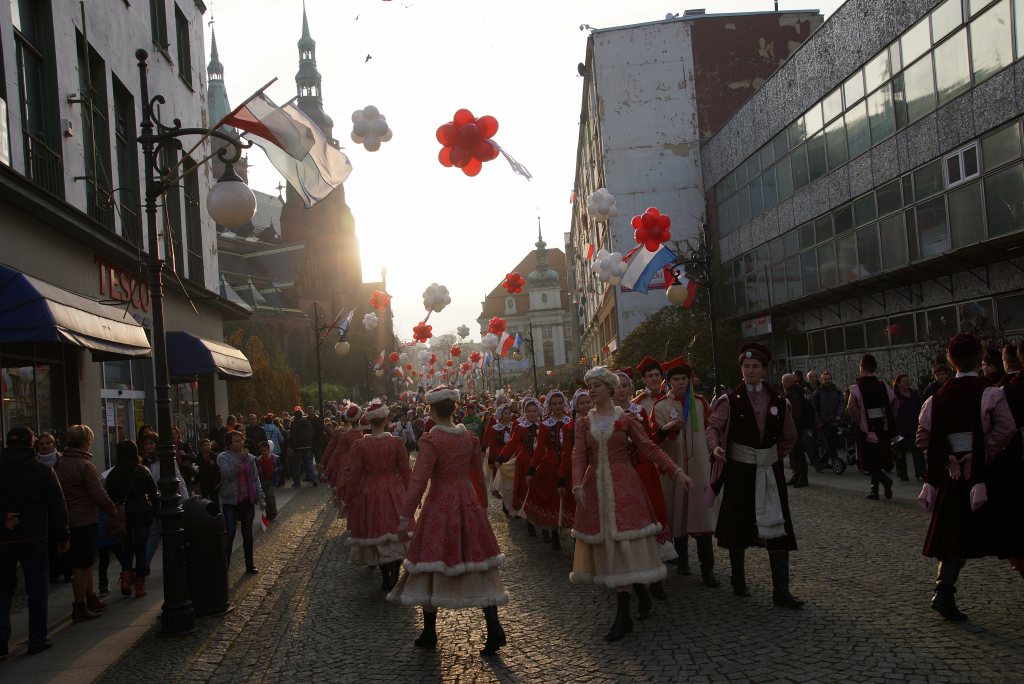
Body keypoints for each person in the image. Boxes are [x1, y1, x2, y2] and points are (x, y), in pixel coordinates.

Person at [570, 367, 692, 641]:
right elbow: (578, 456)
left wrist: (676, 471)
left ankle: (622, 616)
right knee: (611, 545)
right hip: (596, 488)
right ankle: (640, 598)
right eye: (590, 386)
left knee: (624, 542)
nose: (592, 390)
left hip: (624, 486)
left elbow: (650, 447)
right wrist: (577, 484)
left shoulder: (624, 420)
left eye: (598, 386)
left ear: (610, 390)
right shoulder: (583, 424)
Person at [388, 386, 508, 656]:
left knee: (430, 561)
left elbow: (419, 480)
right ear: (454, 408)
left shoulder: (432, 440)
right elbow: (477, 474)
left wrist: (406, 516)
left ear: (431, 410)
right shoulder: (468, 438)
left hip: (440, 504)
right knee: (477, 561)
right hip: (466, 502)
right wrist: (482, 505)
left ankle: (430, 631)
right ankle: (494, 626)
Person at [916, 334, 1017, 621]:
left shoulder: (936, 398)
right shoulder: (990, 393)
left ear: (951, 361)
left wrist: (947, 455)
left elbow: (923, 436)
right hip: (987, 472)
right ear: (980, 357)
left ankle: (943, 591)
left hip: (953, 474)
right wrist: (981, 452)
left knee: (953, 533)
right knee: (1008, 528)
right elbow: (1006, 428)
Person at [707, 342, 804, 609]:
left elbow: (790, 436)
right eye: (746, 366)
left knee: (777, 526)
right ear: (741, 369)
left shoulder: (778, 401)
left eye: (755, 367)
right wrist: (715, 446)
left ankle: (781, 590)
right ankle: (739, 581)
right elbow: (714, 427)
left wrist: (771, 456)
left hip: (769, 471)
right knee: (739, 522)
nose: (750, 370)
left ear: (764, 370)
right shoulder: (729, 400)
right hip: (739, 470)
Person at [0, 426, 69, 656]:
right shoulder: (42, 471)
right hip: (34, 537)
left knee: (3, 590)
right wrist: (62, 537)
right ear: (31, 444)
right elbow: (57, 507)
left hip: (4, 539)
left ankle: (1, 638)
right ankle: (37, 639)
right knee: (37, 590)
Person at [652, 357, 719, 587]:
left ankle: (707, 569)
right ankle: (682, 562)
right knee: (678, 518)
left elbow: (712, 430)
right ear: (669, 383)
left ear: (690, 380)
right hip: (675, 471)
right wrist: (667, 429)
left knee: (702, 519)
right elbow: (654, 439)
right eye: (676, 379)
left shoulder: (700, 403)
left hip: (700, 469)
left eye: (684, 379)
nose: (680, 383)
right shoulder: (661, 407)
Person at [341, 400, 411, 591]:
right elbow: (405, 472)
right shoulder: (396, 443)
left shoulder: (360, 446)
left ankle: (385, 576)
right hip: (394, 491)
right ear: (386, 419)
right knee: (394, 533)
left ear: (369, 422)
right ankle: (395, 574)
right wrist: (412, 496)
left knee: (377, 533)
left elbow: (354, 477)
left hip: (370, 492)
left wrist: (348, 499)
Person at [53, 425, 116, 622]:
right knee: (82, 564)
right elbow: (97, 493)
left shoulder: (60, 463)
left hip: (68, 517)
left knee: (86, 562)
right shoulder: (84, 465)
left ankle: (90, 597)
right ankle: (79, 606)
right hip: (84, 518)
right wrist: (111, 510)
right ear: (85, 442)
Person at [104, 441, 159, 598]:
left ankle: (125, 580)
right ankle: (140, 586)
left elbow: (110, 495)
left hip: (124, 515)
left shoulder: (113, 473)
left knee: (128, 548)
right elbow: (154, 494)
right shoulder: (142, 471)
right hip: (142, 513)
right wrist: (157, 512)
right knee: (141, 550)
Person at [522, 390, 574, 550]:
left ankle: (574, 535)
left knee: (570, 502)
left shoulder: (571, 421)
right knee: (552, 501)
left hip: (570, 467)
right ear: (549, 406)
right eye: (554, 404)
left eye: (560, 403)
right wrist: (531, 470)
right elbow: (539, 450)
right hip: (550, 468)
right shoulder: (545, 425)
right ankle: (554, 534)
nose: (558, 406)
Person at [848, 355, 899, 500]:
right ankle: (874, 490)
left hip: (867, 426)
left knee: (870, 460)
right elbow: (895, 403)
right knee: (878, 458)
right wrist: (889, 420)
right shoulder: (883, 385)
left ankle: (884, 481)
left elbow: (851, 407)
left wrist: (861, 422)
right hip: (882, 425)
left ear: (862, 367)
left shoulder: (856, 388)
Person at [217, 430, 265, 574]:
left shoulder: (250, 458)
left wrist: (260, 497)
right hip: (231, 501)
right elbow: (227, 475)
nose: (240, 443)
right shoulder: (223, 457)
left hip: (247, 499)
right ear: (229, 444)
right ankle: (225, 565)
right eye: (236, 441)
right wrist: (238, 460)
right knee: (230, 533)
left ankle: (249, 564)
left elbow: (256, 479)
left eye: (241, 440)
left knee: (248, 534)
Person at [498, 398, 543, 535]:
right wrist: (502, 456)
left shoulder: (545, 426)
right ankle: (529, 521)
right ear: (525, 413)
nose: (532, 414)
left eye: (534, 411)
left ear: (539, 412)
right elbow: (512, 443)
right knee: (526, 492)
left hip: (541, 463)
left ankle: (544, 524)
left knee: (540, 491)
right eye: (529, 411)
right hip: (524, 462)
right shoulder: (520, 427)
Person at [35, 433, 71, 585]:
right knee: (49, 542)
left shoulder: (62, 460)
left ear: (53, 444)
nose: (45, 446)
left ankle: (68, 570)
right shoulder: (34, 463)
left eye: (48, 443)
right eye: (41, 444)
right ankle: (53, 572)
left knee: (64, 536)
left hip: (62, 503)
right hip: (43, 508)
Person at [812, 371, 845, 471]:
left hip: (835, 421)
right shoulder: (818, 392)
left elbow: (842, 403)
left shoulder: (837, 391)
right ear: (822, 380)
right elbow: (814, 408)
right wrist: (818, 421)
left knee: (833, 442)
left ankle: (822, 461)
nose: (827, 381)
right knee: (830, 442)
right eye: (825, 379)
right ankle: (836, 461)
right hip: (824, 422)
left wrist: (839, 415)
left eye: (829, 379)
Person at [893, 374, 924, 481]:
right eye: (904, 381)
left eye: (908, 381)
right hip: (900, 428)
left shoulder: (914, 394)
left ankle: (921, 472)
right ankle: (902, 474)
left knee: (917, 450)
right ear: (898, 383)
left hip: (914, 427)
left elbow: (921, 407)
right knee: (900, 451)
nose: (907, 383)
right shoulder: (895, 396)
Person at [781, 374, 810, 488]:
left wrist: (792, 428)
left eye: (782, 381)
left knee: (798, 453)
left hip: (796, 428)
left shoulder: (794, 394)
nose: (782, 383)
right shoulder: (794, 392)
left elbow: (796, 414)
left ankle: (802, 476)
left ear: (787, 382)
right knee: (793, 453)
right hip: (794, 428)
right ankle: (796, 474)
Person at [288, 408, 316, 488]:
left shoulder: (294, 423)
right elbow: (311, 433)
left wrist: (291, 447)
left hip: (297, 448)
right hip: (307, 446)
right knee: (308, 464)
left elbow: (293, 437)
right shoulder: (307, 422)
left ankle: (297, 482)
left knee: (296, 465)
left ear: (294, 416)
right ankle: (313, 479)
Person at [256, 441, 278, 520]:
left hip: (272, 479)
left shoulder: (275, 458)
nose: (263, 452)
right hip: (263, 480)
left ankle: (274, 511)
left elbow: (280, 467)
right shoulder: (258, 460)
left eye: (265, 450)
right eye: (261, 451)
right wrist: (259, 470)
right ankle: (268, 513)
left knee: (271, 495)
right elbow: (257, 471)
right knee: (265, 497)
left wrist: (276, 469)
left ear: (268, 450)